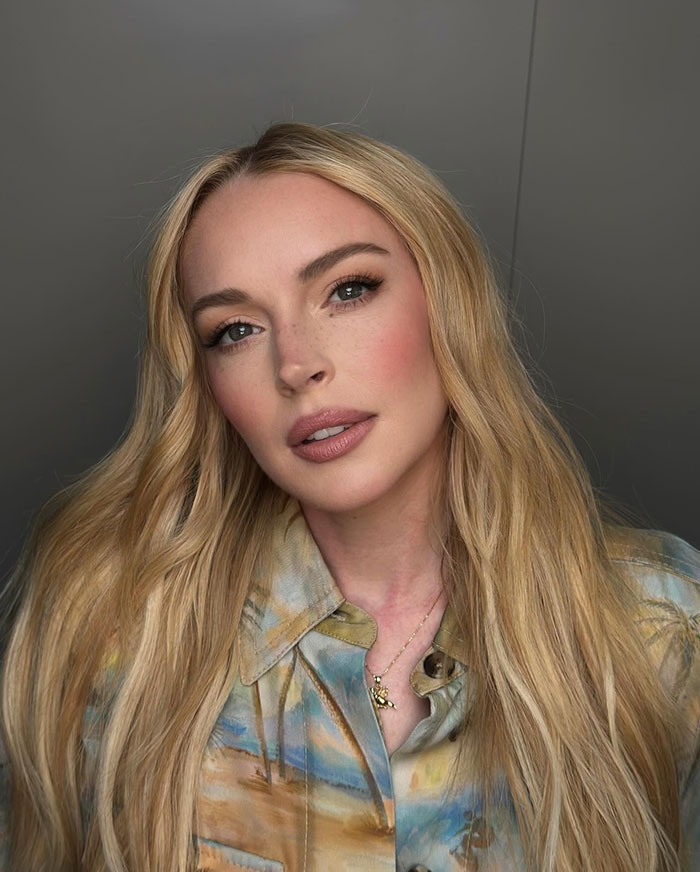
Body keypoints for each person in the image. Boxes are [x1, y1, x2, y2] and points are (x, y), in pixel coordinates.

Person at [0, 121, 698, 872]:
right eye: (235, 329)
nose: (296, 365)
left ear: (446, 303)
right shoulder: (109, 627)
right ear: (207, 386)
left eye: (348, 289)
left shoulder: (658, 626)